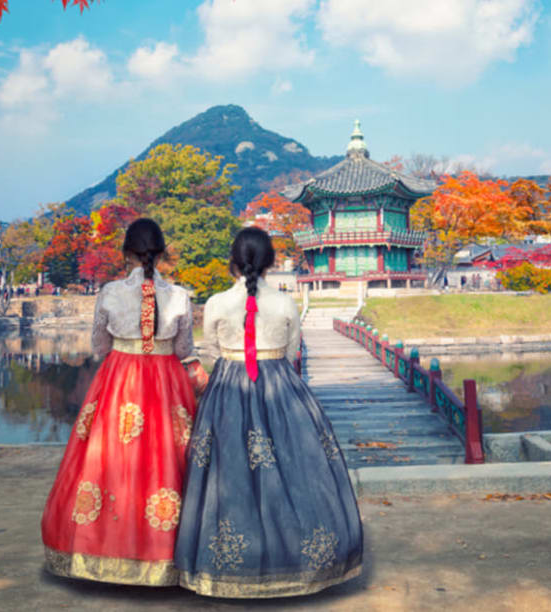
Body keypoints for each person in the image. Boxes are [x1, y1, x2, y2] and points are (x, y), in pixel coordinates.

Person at [174, 227, 362, 598]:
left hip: (227, 387)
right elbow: (293, 351)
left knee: (226, 474)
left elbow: (210, 350)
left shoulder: (214, 303)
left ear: (232, 261)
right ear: (271, 261)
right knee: (299, 469)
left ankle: (227, 568)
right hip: (281, 388)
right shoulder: (286, 304)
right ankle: (296, 561)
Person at [41, 218, 197, 586]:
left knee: (107, 458)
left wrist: (127, 348)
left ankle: (100, 549)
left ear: (125, 252)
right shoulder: (179, 294)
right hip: (165, 381)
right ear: (160, 254)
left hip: (120, 380)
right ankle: (168, 555)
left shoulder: (110, 292)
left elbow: (99, 347)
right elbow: (184, 349)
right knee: (168, 458)